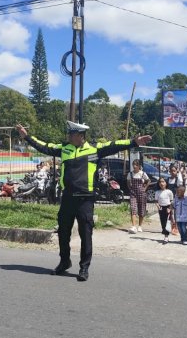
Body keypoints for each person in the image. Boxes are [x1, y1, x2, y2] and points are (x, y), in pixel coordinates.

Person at [16, 121, 151, 282]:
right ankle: (64, 261)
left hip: (85, 199)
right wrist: (27, 137)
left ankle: (84, 267)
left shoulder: (94, 150)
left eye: (71, 134)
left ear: (80, 136)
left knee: (85, 233)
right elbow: (44, 146)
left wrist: (134, 142)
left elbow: (114, 145)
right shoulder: (65, 149)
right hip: (67, 198)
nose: (68, 136)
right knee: (63, 232)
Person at [127, 159, 150, 234]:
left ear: (139, 166)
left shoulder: (142, 174)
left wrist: (145, 188)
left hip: (141, 193)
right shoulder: (130, 174)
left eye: (136, 165)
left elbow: (148, 181)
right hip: (133, 193)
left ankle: (140, 226)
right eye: (133, 164)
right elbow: (128, 182)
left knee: (141, 208)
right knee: (133, 208)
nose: (134, 166)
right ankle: (133, 226)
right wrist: (130, 188)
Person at [155, 178, 175, 244]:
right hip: (161, 208)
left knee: (167, 223)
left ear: (166, 183)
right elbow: (156, 201)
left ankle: (166, 237)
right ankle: (165, 234)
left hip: (168, 208)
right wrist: (158, 206)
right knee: (163, 222)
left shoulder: (169, 191)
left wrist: (170, 208)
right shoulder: (157, 192)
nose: (161, 183)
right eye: (160, 182)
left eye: (163, 182)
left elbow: (172, 201)